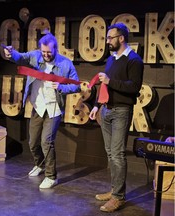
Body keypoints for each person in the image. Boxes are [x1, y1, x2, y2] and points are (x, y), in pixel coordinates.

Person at [3, 33, 80, 189]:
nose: (45, 55)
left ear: (56, 49)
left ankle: (51, 176)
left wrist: (62, 87)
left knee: (47, 141)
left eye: (49, 52)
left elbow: (76, 85)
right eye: (43, 52)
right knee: (33, 142)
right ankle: (39, 164)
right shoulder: (35, 56)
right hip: (38, 106)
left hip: (54, 108)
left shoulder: (66, 64)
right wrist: (11, 53)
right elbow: (20, 58)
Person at [89, 23, 144, 212]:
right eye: (107, 38)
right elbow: (104, 86)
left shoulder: (134, 60)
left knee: (118, 154)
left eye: (110, 38)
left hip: (121, 111)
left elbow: (134, 87)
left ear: (121, 38)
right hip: (106, 110)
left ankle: (119, 197)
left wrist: (111, 81)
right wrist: (96, 106)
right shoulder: (112, 58)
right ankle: (114, 191)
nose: (107, 41)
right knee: (111, 153)